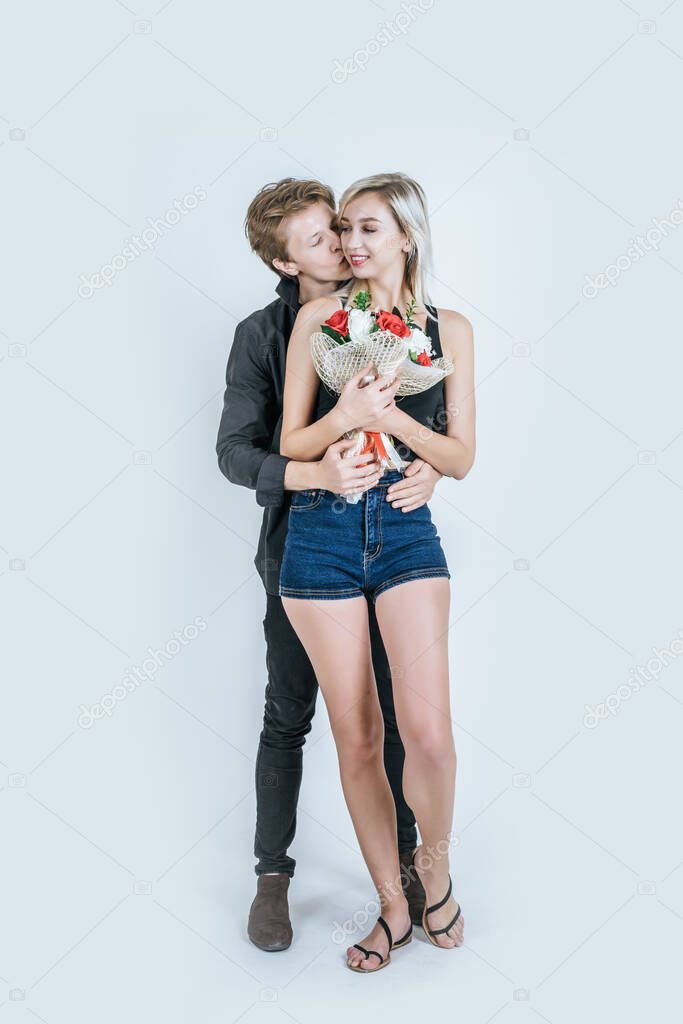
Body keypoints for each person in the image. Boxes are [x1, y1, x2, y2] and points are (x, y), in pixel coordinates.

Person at [216, 178, 445, 952]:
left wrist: (434, 467)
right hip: (298, 542)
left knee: (393, 714)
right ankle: (272, 876)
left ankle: (412, 874)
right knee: (292, 713)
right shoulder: (264, 333)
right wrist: (313, 471)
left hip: (387, 536)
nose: (342, 246)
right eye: (321, 238)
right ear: (286, 261)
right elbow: (234, 454)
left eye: (344, 229)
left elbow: (429, 418)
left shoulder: (385, 312)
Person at [278, 172, 476, 972]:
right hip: (321, 535)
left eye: (368, 229)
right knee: (356, 735)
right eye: (345, 230)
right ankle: (391, 906)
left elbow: (461, 456)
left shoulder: (448, 327)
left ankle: (432, 861)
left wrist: (392, 418)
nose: (352, 245)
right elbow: (292, 441)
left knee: (425, 732)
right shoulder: (319, 320)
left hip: (403, 529)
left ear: (406, 237)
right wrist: (342, 421)